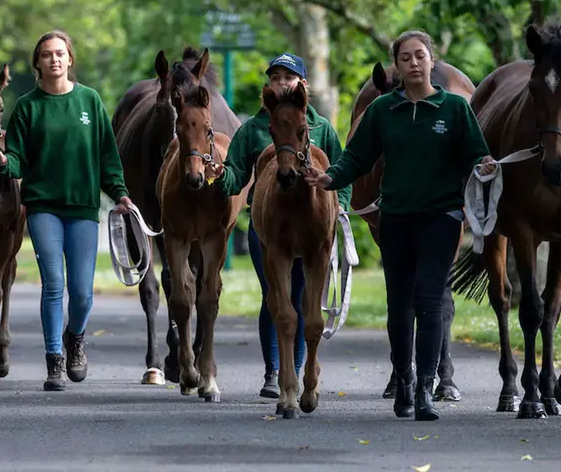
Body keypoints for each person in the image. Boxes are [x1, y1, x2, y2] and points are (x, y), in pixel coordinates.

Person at [304, 30, 496, 421]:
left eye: (419, 56)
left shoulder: (454, 110)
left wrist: (485, 166)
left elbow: (476, 154)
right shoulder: (381, 111)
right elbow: (357, 159)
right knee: (398, 308)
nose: (413, 63)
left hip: (441, 219)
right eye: (405, 57)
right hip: (396, 218)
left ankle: (426, 387)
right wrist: (329, 179)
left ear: (431, 60)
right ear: (397, 64)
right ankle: (404, 382)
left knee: (429, 302)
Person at [0, 30, 133, 391]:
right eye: (47, 54)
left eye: (60, 53)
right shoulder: (28, 106)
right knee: (54, 284)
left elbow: (107, 157)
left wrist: (121, 194)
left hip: (83, 207)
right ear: (37, 63)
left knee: (82, 293)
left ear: (70, 59)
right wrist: (5, 162)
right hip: (43, 208)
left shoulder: (90, 101)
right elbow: (18, 159)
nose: (54, 59)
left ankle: (75, 338)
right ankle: (54, 360)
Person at [204, 53, 352, 398]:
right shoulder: (255, 128)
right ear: (268, 86)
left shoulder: (321, 128)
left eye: (289, 76)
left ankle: (298, 370)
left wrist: (339, 207)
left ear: (302, 84)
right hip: (269, 222)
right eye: (275, 77)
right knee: (275, 296)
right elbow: (238, 175)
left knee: (301, 298)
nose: (282, 82)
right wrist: (220, 177)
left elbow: (341, 170)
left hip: (315, 222)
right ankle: (275, 371)